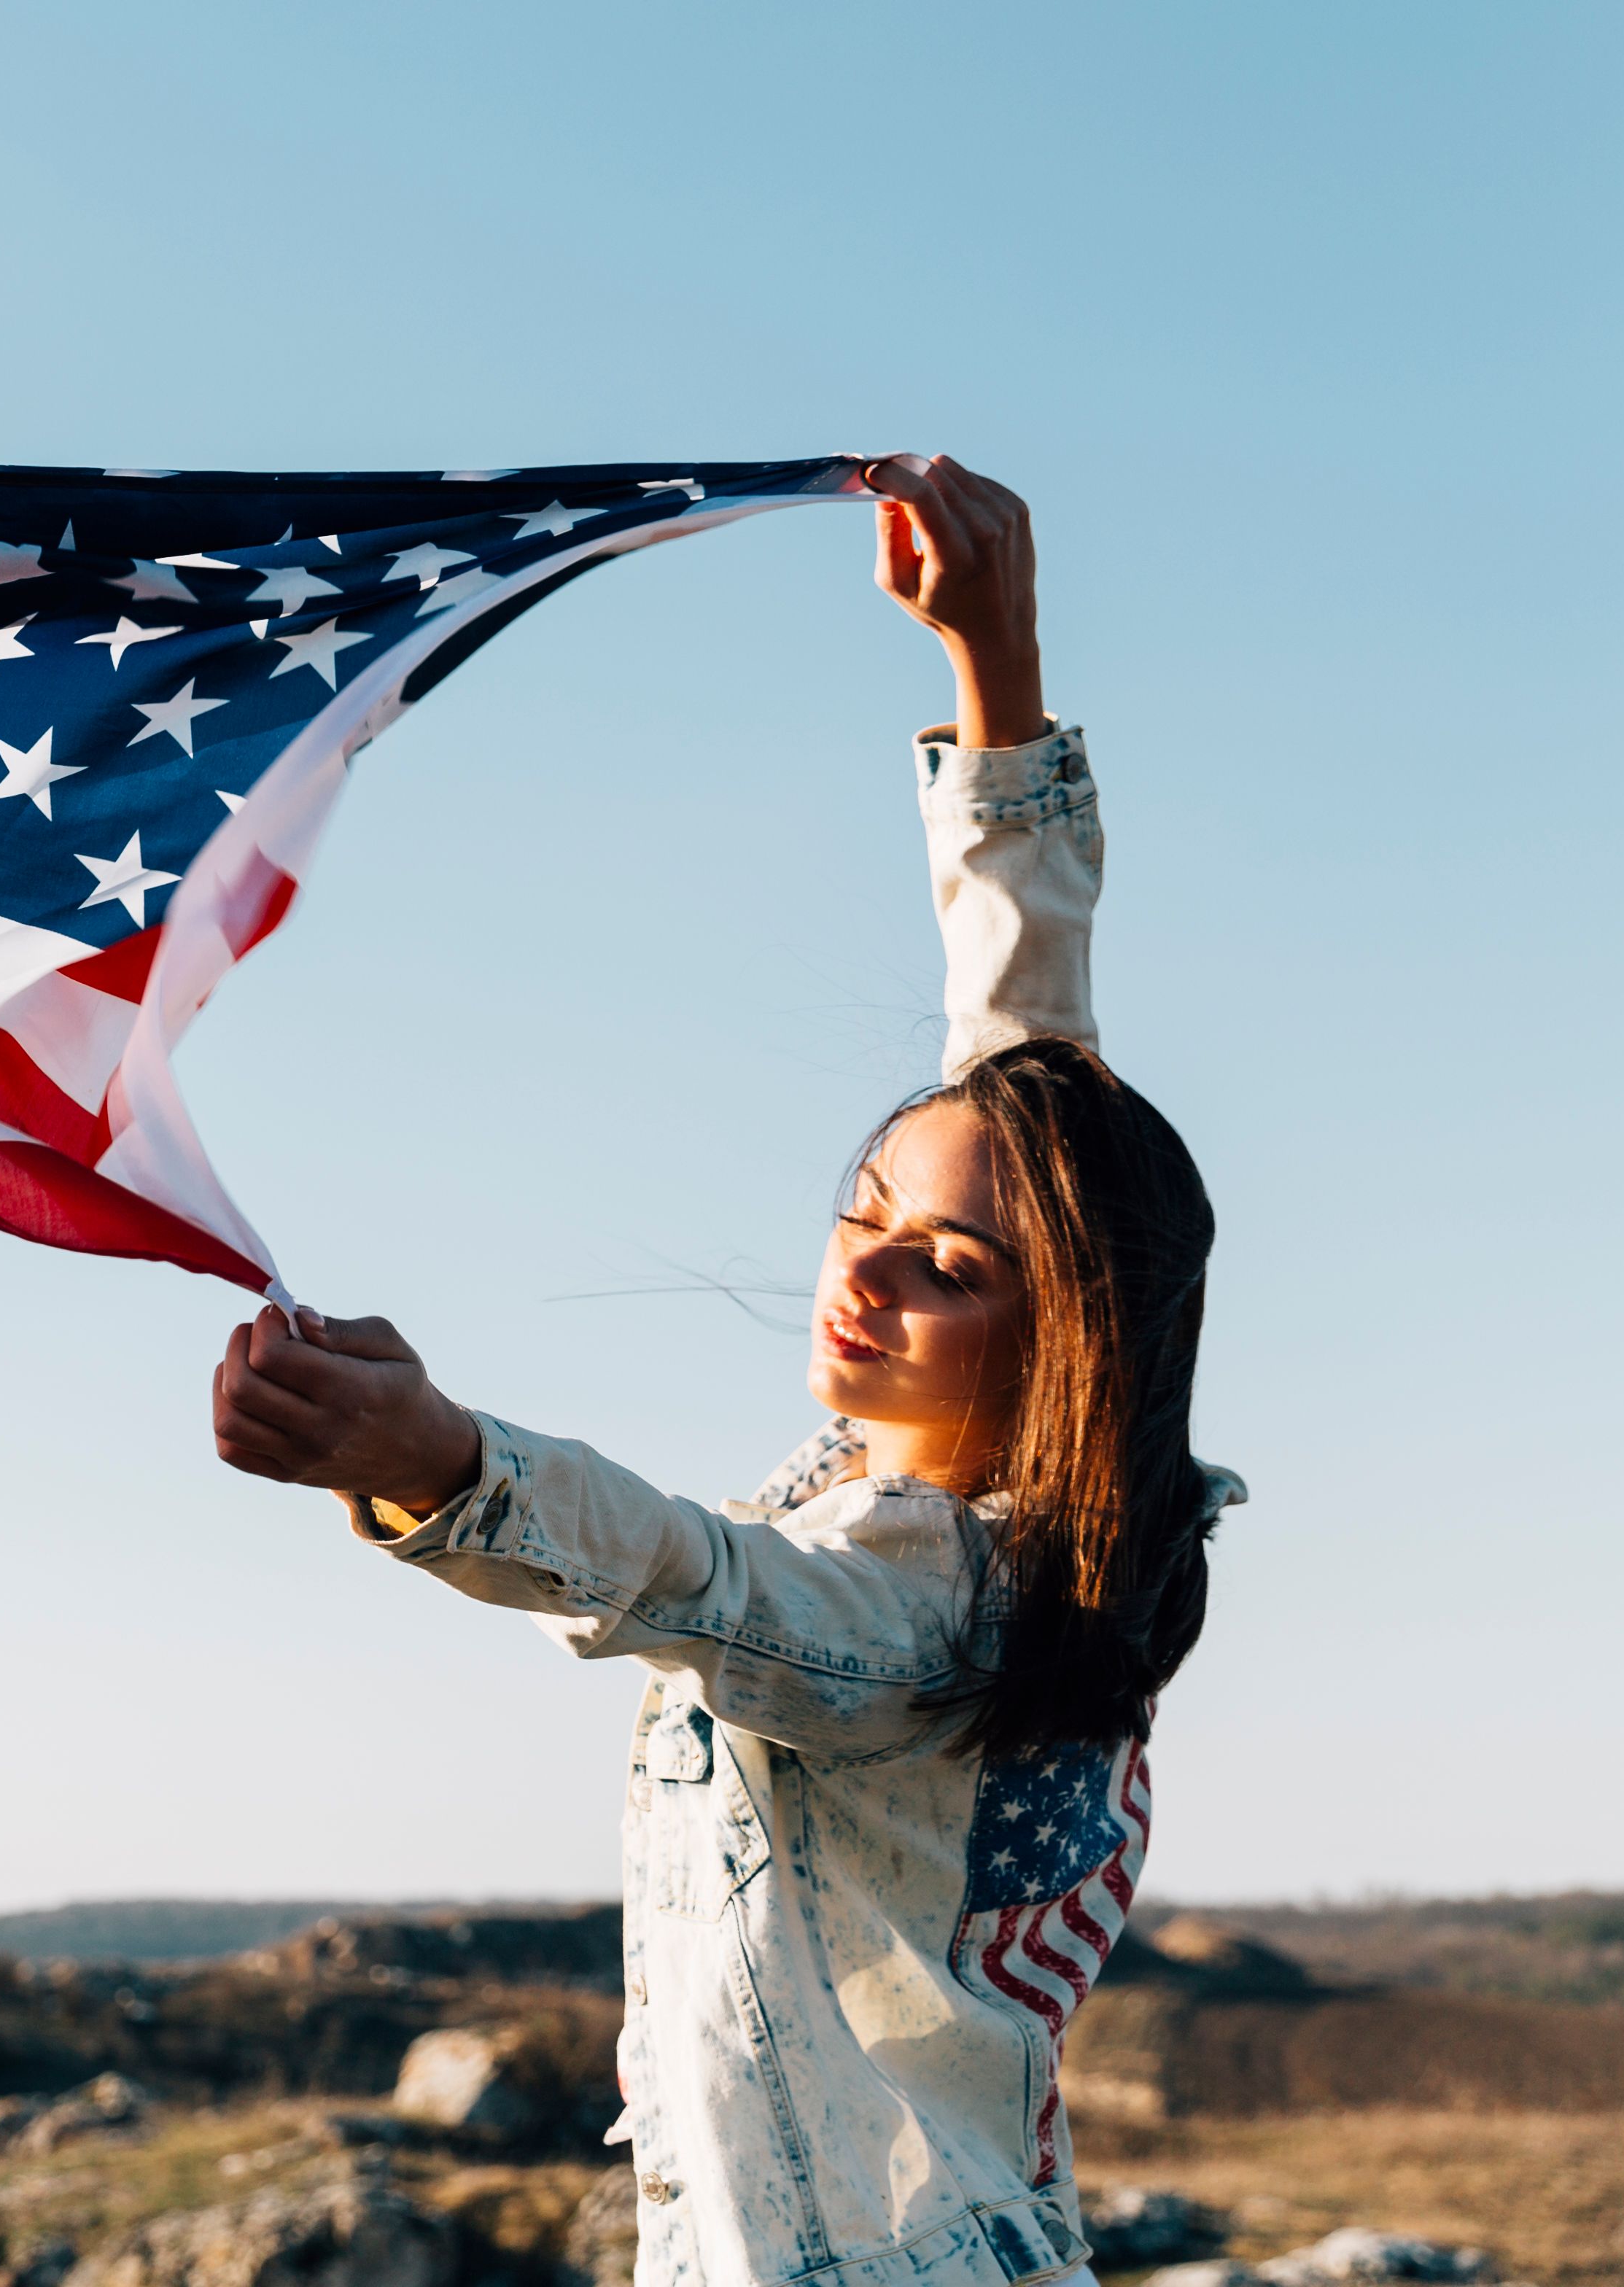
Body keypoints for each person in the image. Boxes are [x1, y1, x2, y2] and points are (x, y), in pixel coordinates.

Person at [205, 456, 1237, 2287]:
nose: (869, 1268)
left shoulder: (948, 1602)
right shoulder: (1021, 1505)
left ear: (1059, 1340)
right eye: (865, 1208)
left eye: (947, 1270)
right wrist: (998, 677)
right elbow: (1026, 1063)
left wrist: (451, 1467)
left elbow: (702, 1583)